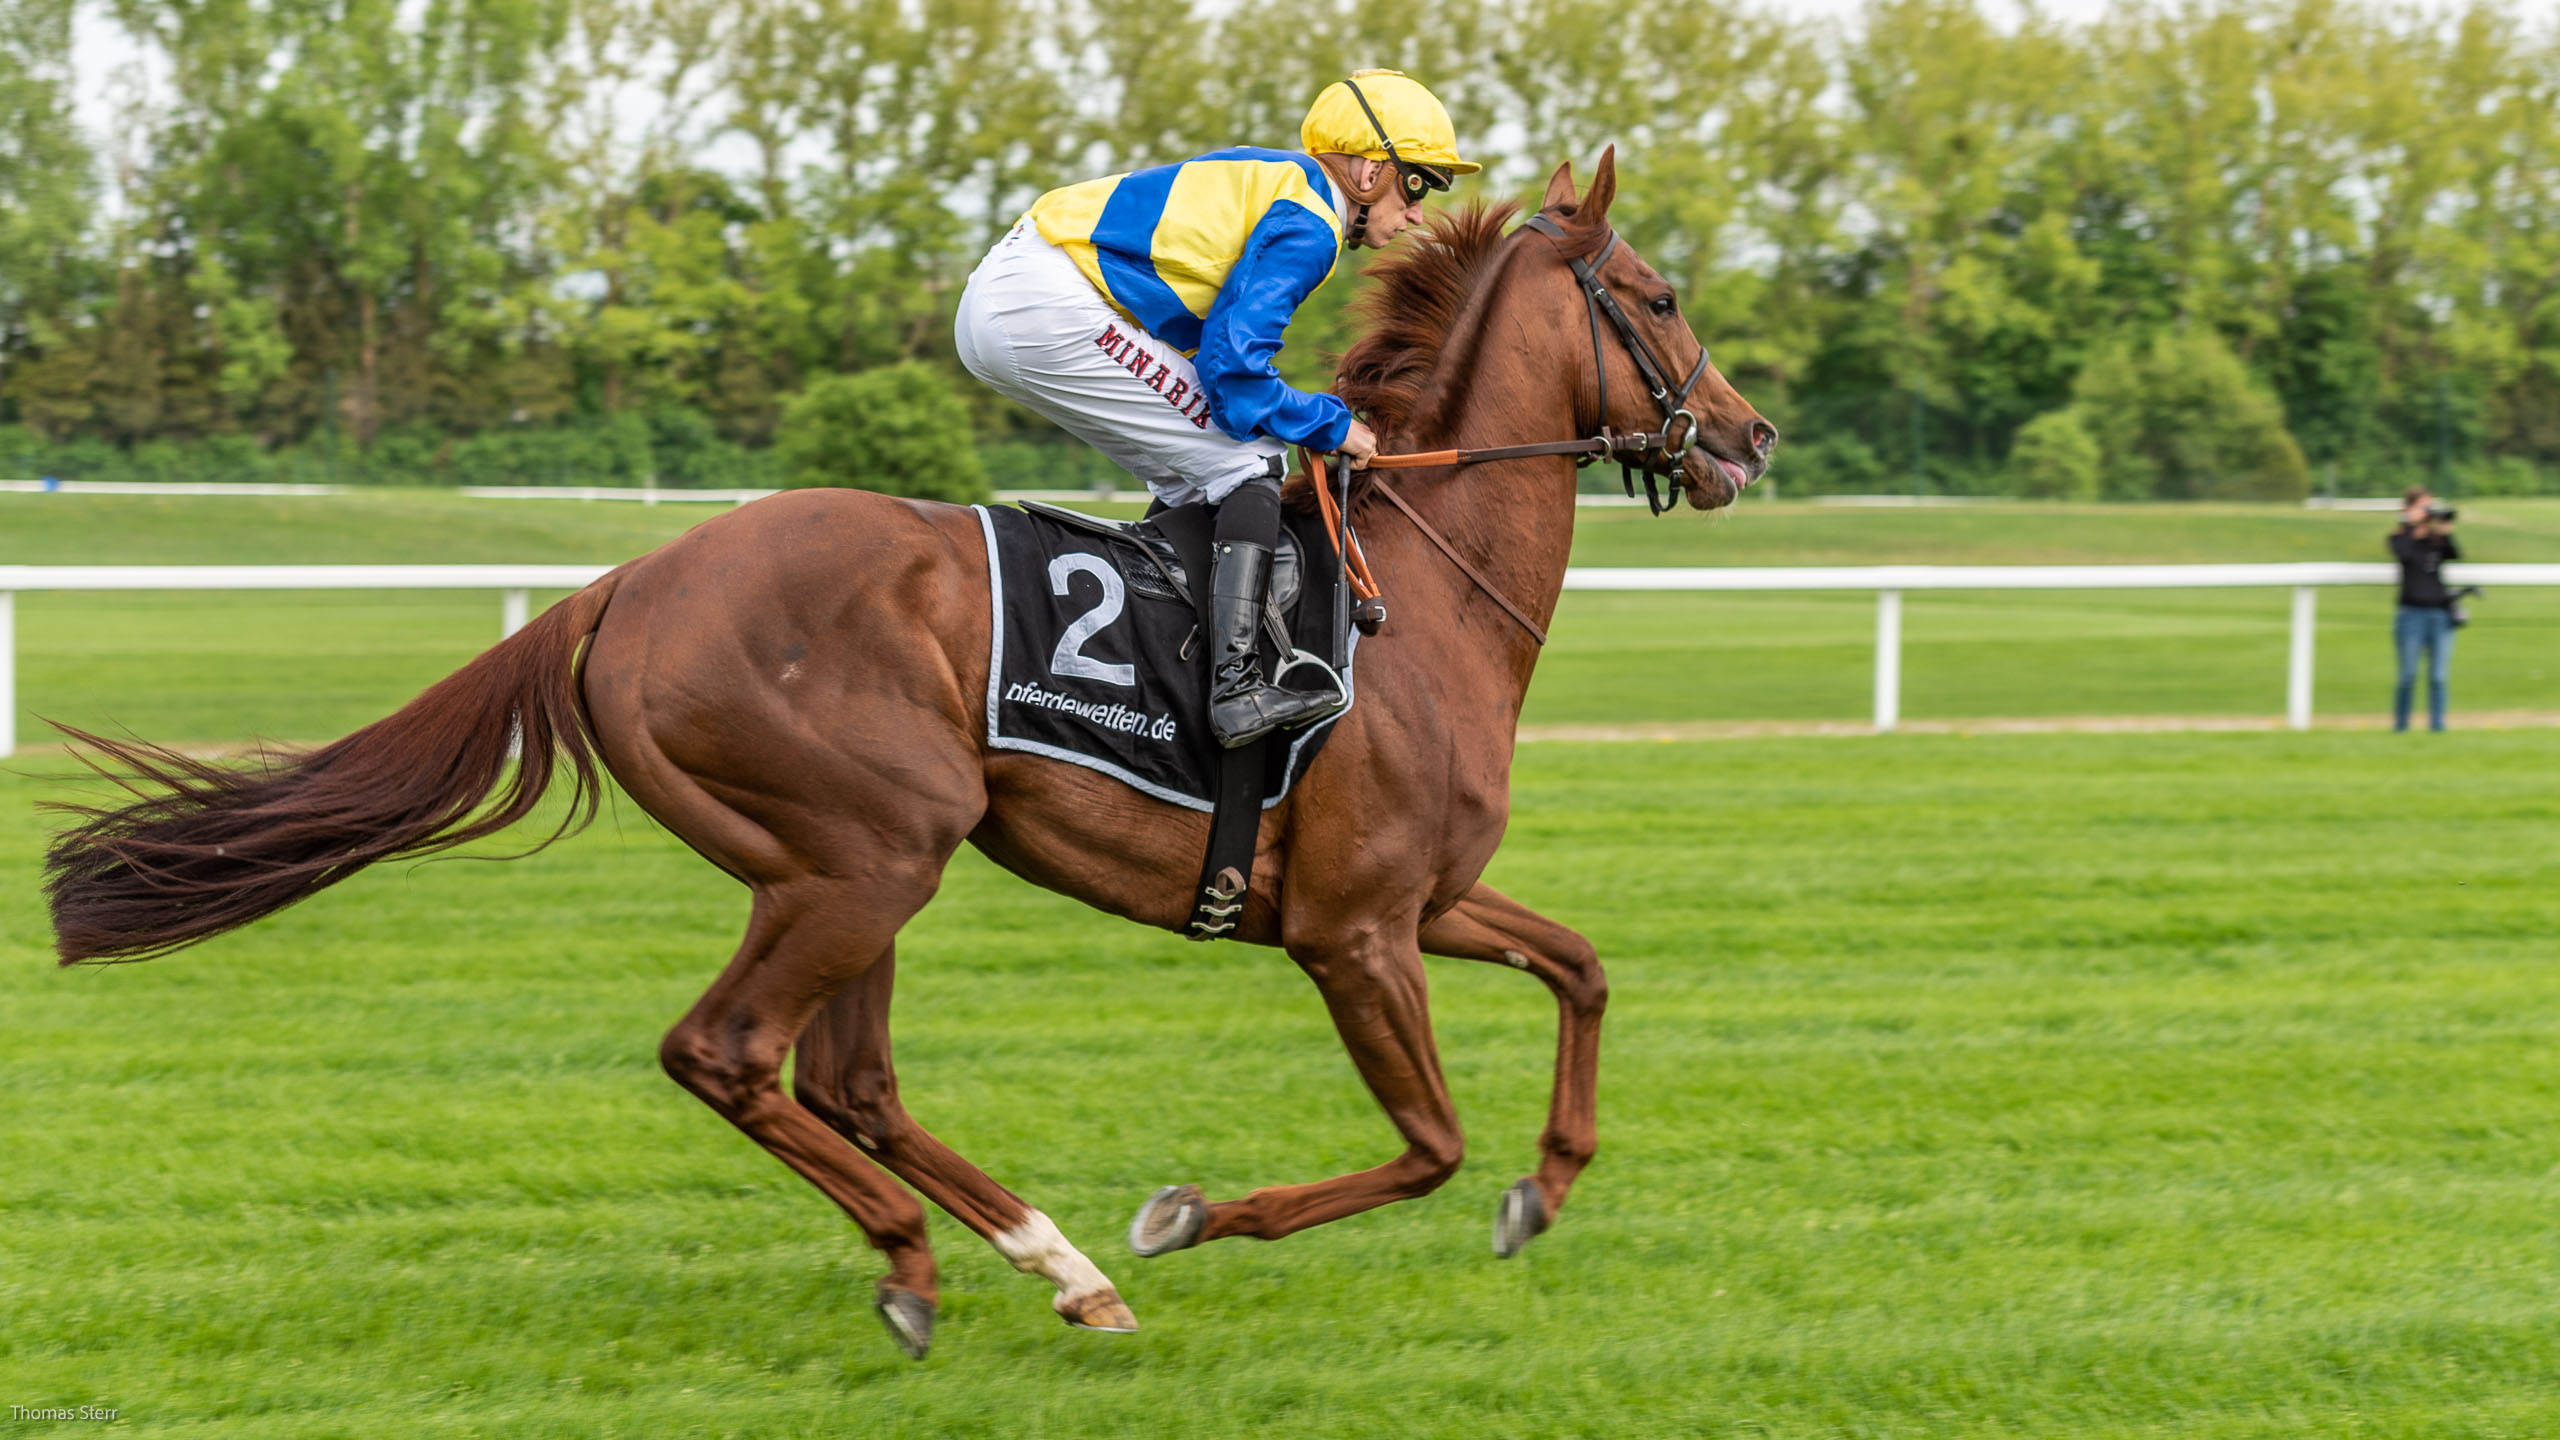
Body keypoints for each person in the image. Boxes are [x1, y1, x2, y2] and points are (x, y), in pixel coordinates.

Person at [954, 71, 1478, 748]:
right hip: (1044, 305)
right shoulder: (1312, 221)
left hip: (1014, 294)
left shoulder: (1282, 179)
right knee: (1250, 460)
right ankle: (1235, 688)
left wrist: (1297, 413)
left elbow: (1222, 363)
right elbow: (1233, 378)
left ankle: (1156, 667)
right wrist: (1331, 424)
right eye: (1418, 185)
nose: (1418, 214)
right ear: (1370, 172)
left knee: (1196, 474)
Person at [2388, 486, 2462, 732]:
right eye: (2421, 506)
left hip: (2440, 613)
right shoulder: (2399, 537)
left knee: (2438, 676)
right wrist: (2412, 526)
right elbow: (2405, 554)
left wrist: (2444, 530)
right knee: (2407, 675)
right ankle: (2401, 726)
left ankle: (2438, 725)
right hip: (2411, 614)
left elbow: (2454, 554)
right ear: (2408, 508)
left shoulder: (2435, 540)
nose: (2427, 511)